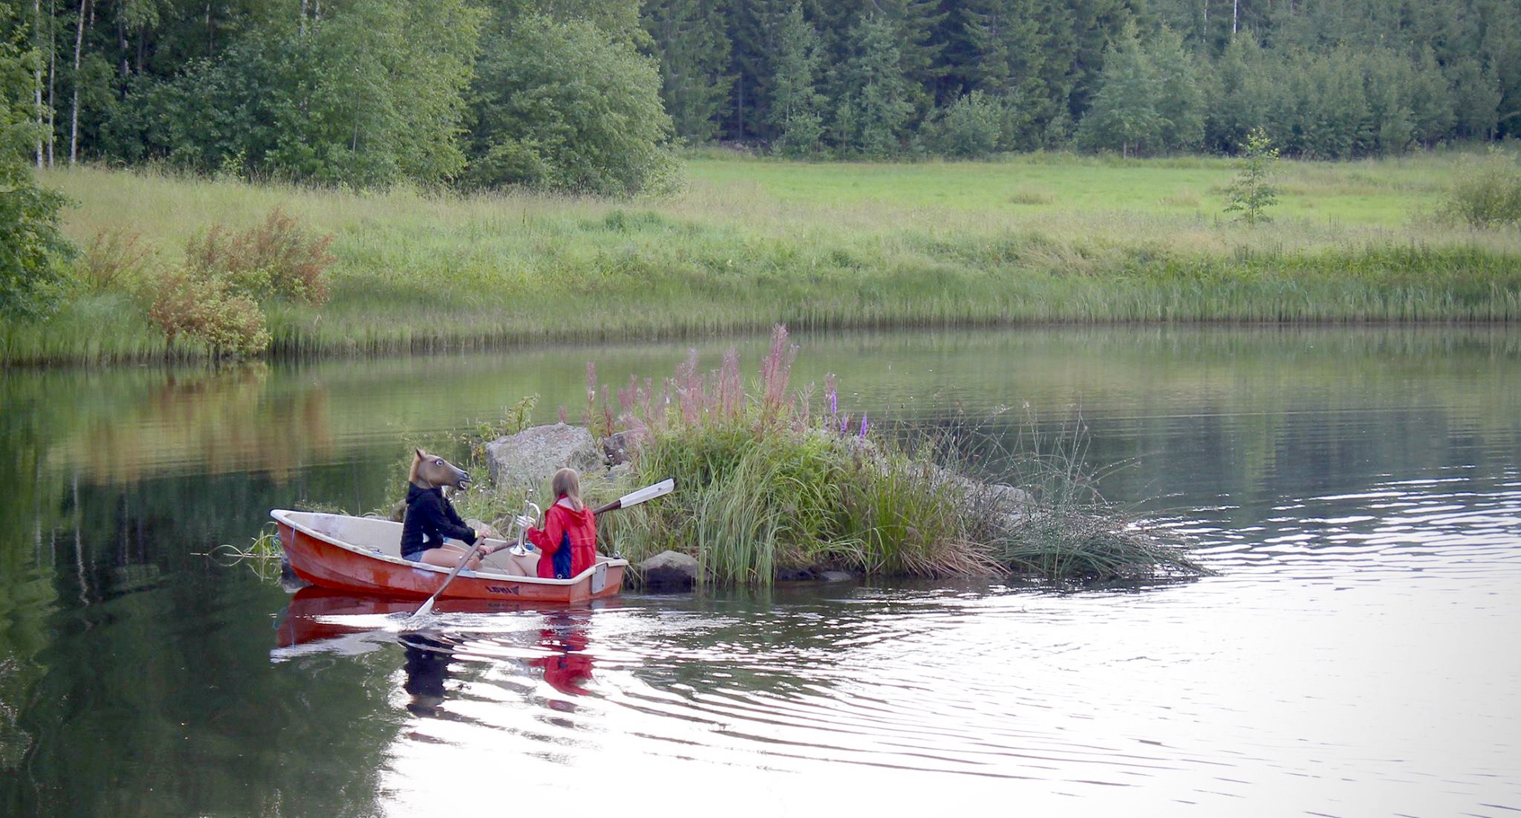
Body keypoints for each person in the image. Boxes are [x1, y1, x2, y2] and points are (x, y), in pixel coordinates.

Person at [401, 448, 496, 569]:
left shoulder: (436, 494)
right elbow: (446, 528)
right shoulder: (426, 498)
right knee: (470, 562)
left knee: (474, 558)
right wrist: (476, 533)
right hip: (416, 552)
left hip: (432, 546)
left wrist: (476, 545)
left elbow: (456, 522)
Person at [517, 468, 598, 579]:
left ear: (556, 488)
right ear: (576, 487)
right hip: (583, 576)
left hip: (558, 574)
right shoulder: (588, 513)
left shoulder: (556, 513)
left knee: (514, 558)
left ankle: (523, 594)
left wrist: (530, 530)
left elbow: (549, 545)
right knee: (535, 554)